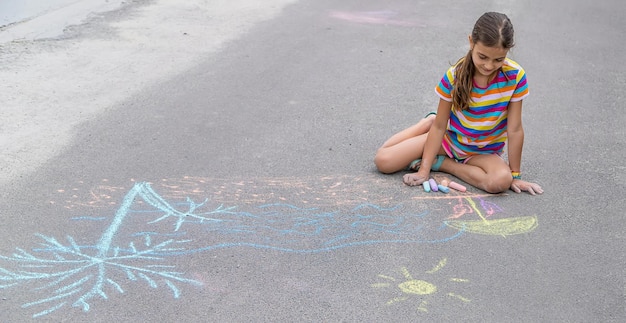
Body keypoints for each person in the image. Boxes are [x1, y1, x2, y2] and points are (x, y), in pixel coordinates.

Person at [374, 12, 543, 195]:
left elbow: (515, 129)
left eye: (498, 60)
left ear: (507, 51)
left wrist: (515, 175)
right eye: (483, 57)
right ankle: (425, 123)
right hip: (449, 140)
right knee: (384, 161)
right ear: (471, 42)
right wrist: (424, 170)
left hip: (484, 151)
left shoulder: (515, 76)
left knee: (501, 181)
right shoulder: (455, 75)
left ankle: (444, 164)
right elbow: (440, 127)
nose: (488, 66)